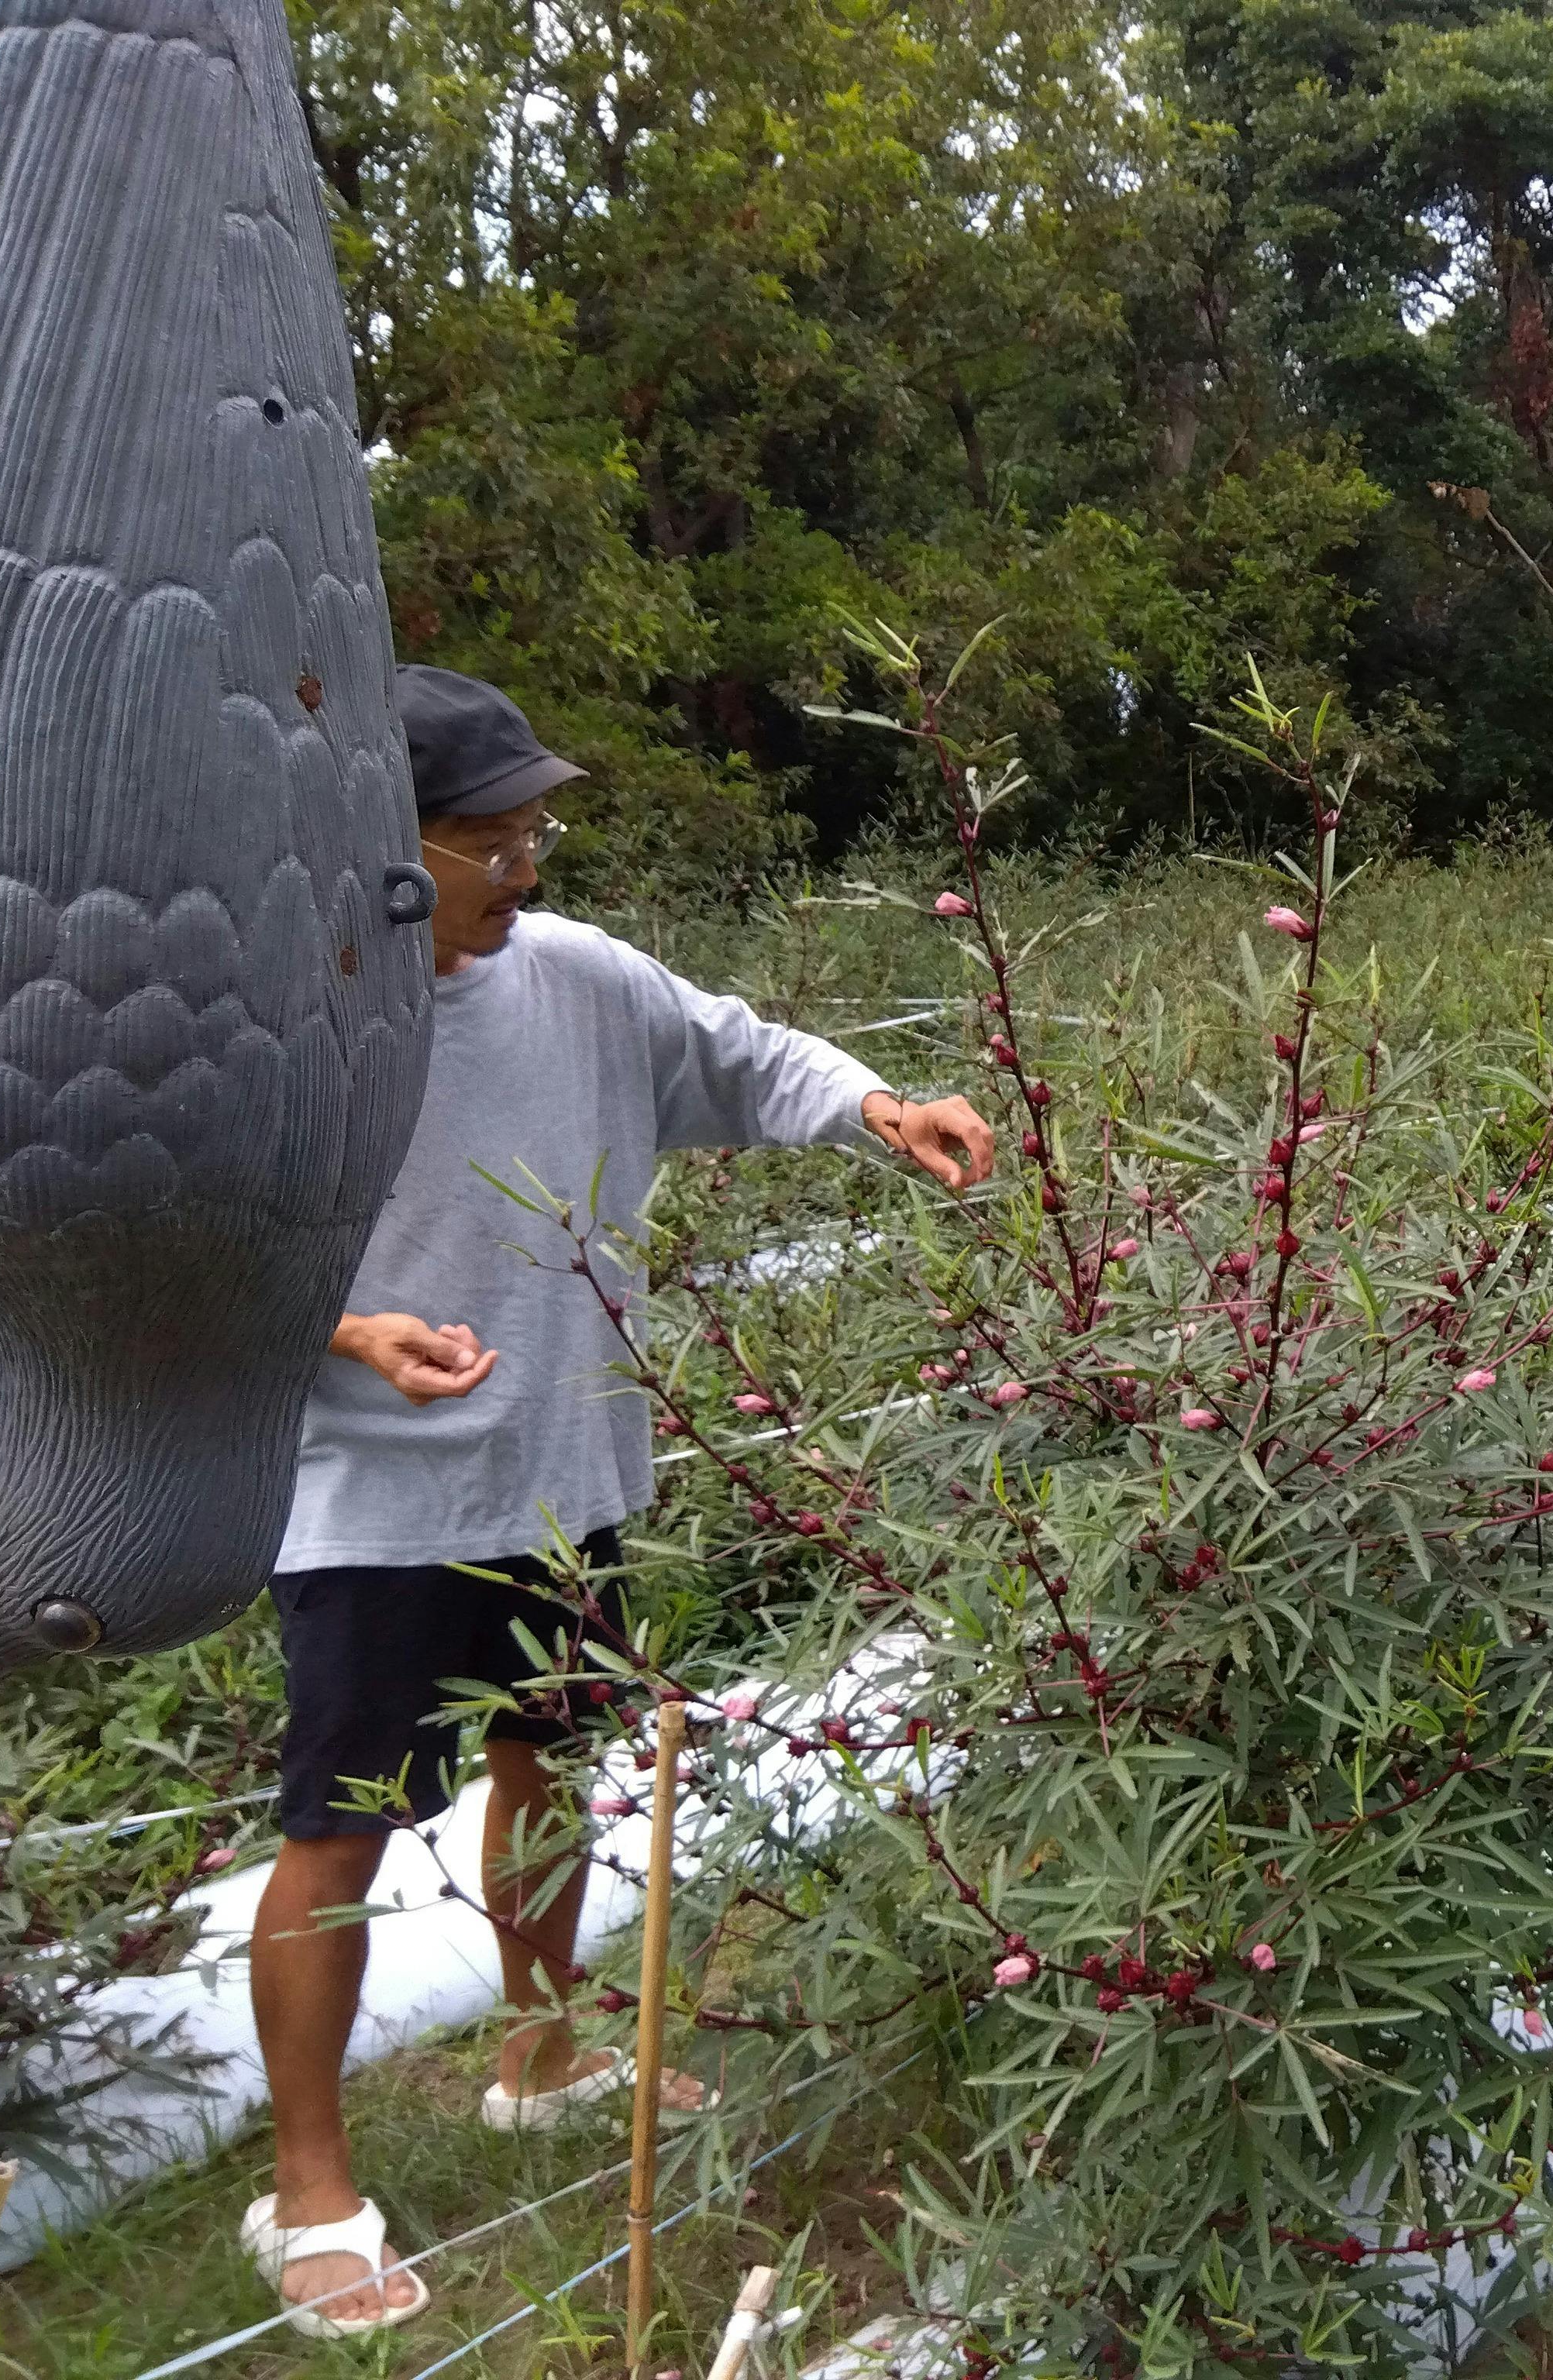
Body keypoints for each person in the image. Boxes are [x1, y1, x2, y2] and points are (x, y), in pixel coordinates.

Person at [239, 666, 996, 2337]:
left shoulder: (581, 978)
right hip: (371, 1498)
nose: (526, 870)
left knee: (549, 1764)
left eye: (535, 836)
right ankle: (308, 2189)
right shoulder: (282, 1024)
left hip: (562, 1472)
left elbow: (743, 1055)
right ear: (375, 846)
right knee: (338, 1835)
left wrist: (880, 1107)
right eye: (489, 843)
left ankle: (545, 2053)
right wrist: (347, 1333)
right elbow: (193, 1255)